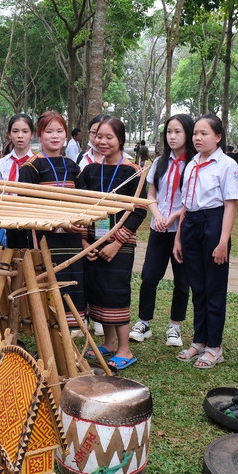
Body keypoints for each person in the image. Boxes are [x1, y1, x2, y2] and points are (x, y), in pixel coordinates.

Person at [78, 116, 146, 370]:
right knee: (98, 291)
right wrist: (86, 240)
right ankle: (107, 343)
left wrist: (116, 242)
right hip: (95, 241)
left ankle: (125, 349)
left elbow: (139, 212)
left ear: (120, 139)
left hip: (121, 244)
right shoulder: (90, 170)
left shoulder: (133, 172)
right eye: (98, 136)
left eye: (109, 137)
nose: (102, 141)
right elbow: (82, 206)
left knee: (117, 292)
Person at [172, 115, 238, 369]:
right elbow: (185, 205)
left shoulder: (227, 165)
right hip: (190, 224)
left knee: (214, 287)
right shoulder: (191, 164)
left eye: (204, 133)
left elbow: (230, 205)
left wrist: (222, 242)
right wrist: (179, 236)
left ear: (218, 137)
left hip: (214, 223)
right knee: (197, 286)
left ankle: (214, 346)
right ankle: (199, 340)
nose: (198, 138)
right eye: (196, 134)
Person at [130, 114, 195, 347]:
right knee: (149, 276)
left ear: (188, 133)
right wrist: (157, 216)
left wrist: (176, 216)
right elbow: (151, 195)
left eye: (177, 132)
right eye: (169, 132)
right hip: (159, 228)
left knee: (182, 280)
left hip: (183, 230)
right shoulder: (159, 163)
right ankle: (144, 322)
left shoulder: (194, 165)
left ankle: (174, 327)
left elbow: (191, 200)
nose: (172, 136)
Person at [19, 112, 87, 329]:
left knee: (74, 282)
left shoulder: (73, 166)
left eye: (59, 131)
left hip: (73, 238)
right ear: (40, 134)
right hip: (45, 239)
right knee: (50, 283)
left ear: (66, 134)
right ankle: (49, 335)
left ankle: (73, 335)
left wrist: (80, 224)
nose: (55, 136)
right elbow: (28, 207)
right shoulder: (31, 167)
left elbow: (83, 201)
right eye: (49, 131)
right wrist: (60, 224)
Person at [0, 113, 34, 248]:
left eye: (25, 131)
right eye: (15, 131)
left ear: (32, 134)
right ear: (8, 134)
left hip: (32, 220)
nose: (20, 136)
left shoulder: (38, 162)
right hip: (7, 220)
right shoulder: (1, 164)